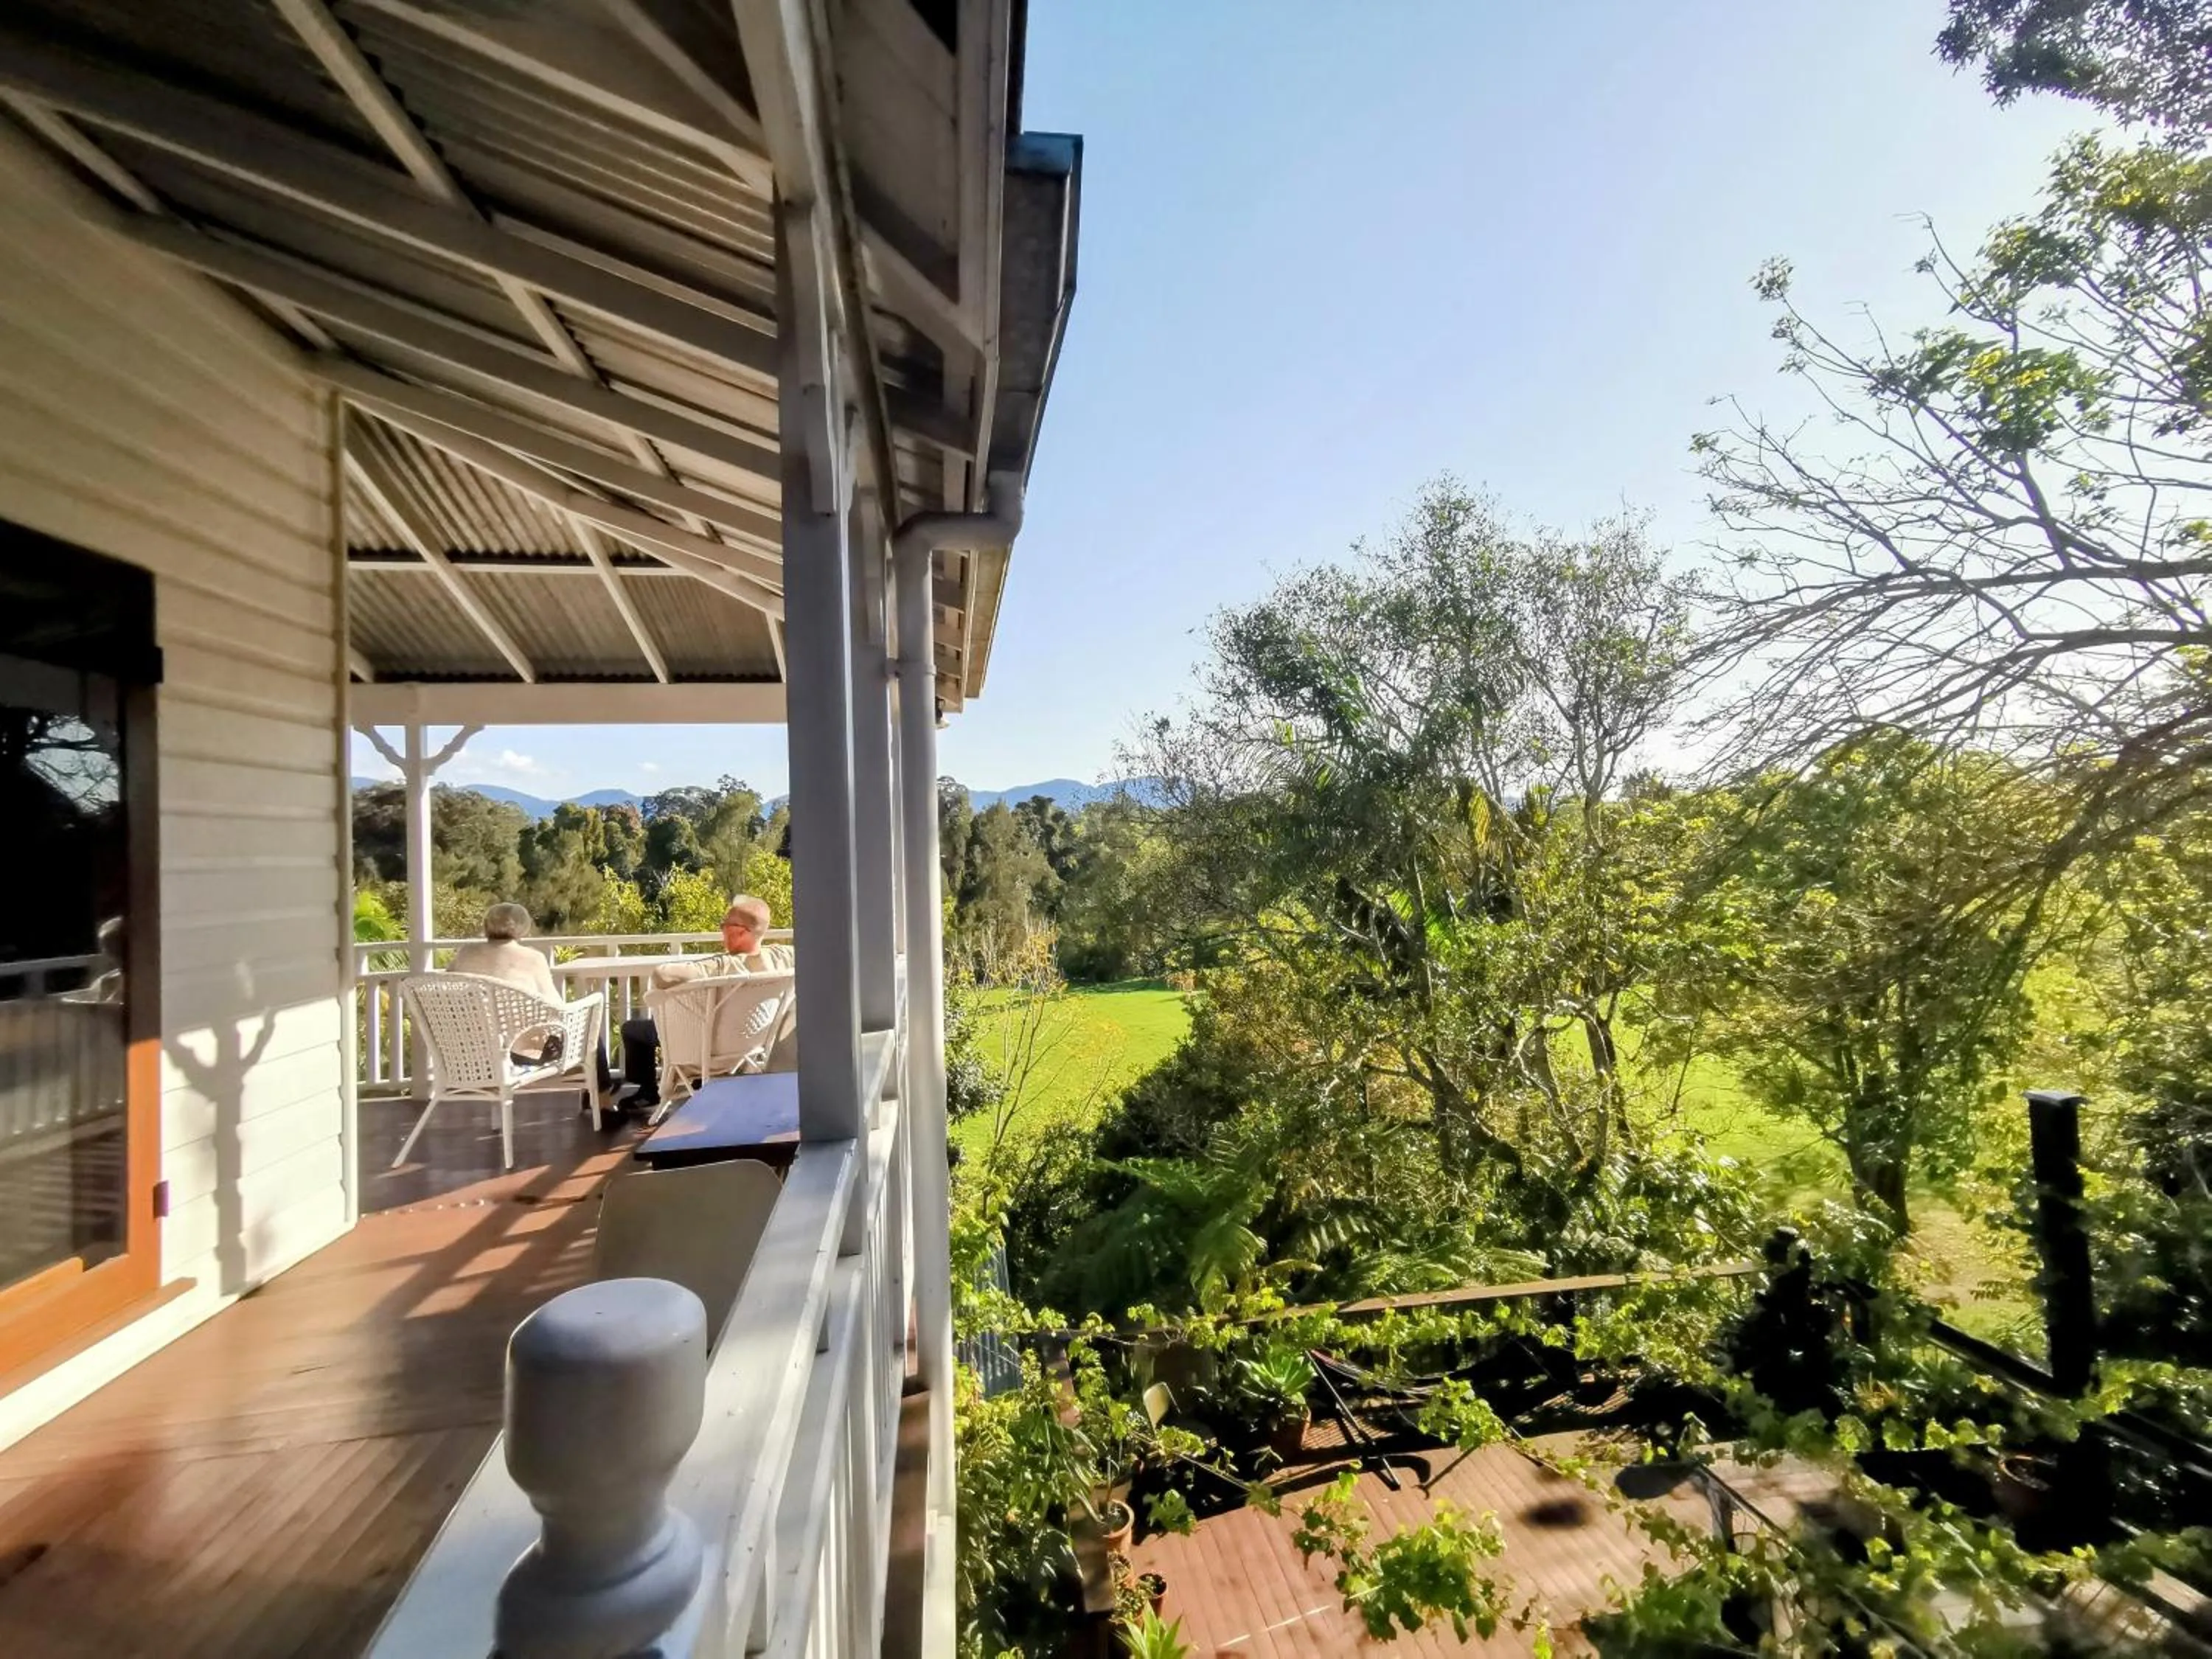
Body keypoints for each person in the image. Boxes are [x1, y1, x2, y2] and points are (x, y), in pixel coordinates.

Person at [650, 894, 792, 987]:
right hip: (767, 1032)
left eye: (725, 925)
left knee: (633, 1028)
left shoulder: (722, 966)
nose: (722, 929)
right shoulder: (782, 956)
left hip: (711, 1032)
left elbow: (661, 976)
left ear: (740, 931)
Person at [450, 902, 561, 1004]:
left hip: (471, 1024)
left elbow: (443, 986)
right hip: (518, 1024)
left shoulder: (466, 952)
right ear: (523, 927)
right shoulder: (534, 958)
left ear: (486, 925)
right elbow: (554, 1003)